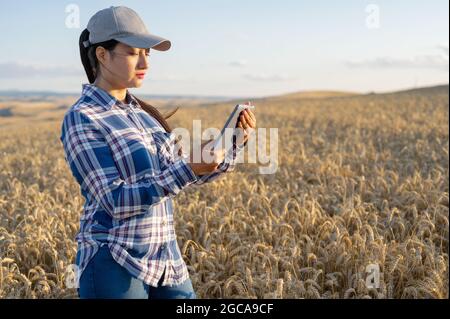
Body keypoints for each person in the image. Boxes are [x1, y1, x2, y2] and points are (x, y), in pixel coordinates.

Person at [59, 6, 256, 299]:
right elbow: (114, 201)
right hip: (113, 260)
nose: (145, 62)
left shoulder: (145, 115)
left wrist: (232, 144)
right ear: (102, 55)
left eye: (147, 53)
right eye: (132, 52)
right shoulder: (83, 117)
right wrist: (188, 168)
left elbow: (185, 175)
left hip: (165, 259)